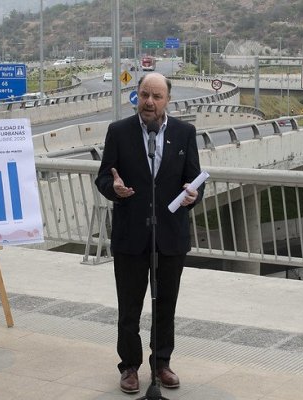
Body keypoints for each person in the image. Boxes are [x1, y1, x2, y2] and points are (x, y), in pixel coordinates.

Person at [95, 72, 204, 394]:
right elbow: (104, 178)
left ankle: (162, 363)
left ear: (167, 100)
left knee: (165, 304)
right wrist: (113, 189)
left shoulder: (185, 133)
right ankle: (129, 366)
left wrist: (195, 195)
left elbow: (195, 179)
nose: (149, 102)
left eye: (156, 96)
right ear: (136, 97)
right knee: (129, 306)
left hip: (170, 235)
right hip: (131, 235)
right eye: (144, 95)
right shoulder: (119, 132)